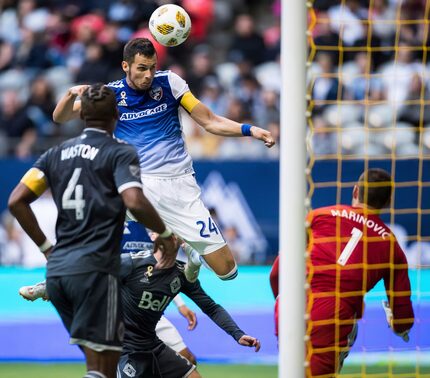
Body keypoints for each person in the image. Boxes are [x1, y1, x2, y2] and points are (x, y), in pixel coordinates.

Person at [52, 37, 275, 283]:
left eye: (152, 67)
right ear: (126, 66)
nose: (148, 75)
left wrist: (249, 130)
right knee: (92, 224)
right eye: (141, 68)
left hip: (179, 187)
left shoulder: (171, 83)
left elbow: (209, 120)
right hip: (135, 183)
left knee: (227, 271)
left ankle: (189, 251)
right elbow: (60, 117)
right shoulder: (110, 94)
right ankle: (59, 276)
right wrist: (71, 93)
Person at [8, 84, 177, 378]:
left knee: (98, 366)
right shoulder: (119, 152)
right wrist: (164, 236)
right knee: (104, 368)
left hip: (58, 276)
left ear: (82, 115)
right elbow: (134, 200)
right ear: (116, 115)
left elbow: (16, 201)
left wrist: (47, 248)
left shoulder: (54, 154)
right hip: (96, 272)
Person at [271, 168, 415, 377]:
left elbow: (278, 270)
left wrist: (281, 298)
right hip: (333, 315)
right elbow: (402, 314)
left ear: (355, 191)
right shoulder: (392, 246)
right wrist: (399, 326)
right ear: (388, 202)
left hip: (290, 302)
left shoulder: (319, 215)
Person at [19, 215, 198, 365]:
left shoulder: (147, 224)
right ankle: (48, 286)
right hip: (111, 305)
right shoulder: (101, 223)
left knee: (188, 358)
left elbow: (160, 269)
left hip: (143, 308)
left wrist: (179, 303)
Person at [118, 233, 261, 378]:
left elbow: (211, 308)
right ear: (153, 235)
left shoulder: (182, 274)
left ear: (182, 238)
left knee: (193, 374)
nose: (170, 232)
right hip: (123, 347)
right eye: (165, 226)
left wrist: (238, 334)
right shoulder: (131, 263)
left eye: (174, 228)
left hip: (150, 343)